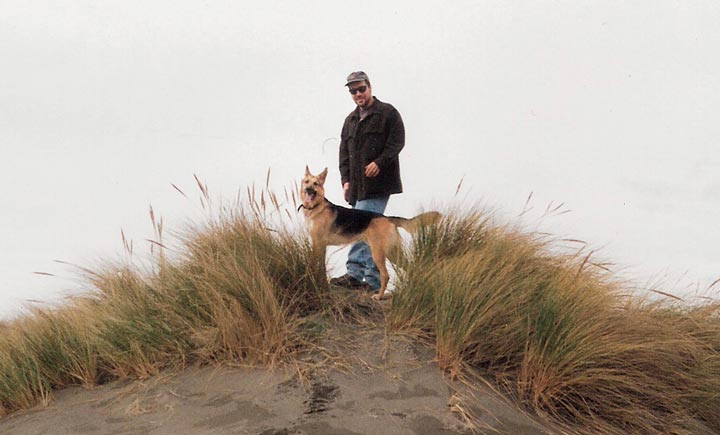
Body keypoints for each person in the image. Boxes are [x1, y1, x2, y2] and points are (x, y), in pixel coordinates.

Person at [330, 71, 405, 291]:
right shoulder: (350, 120)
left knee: (361, 228)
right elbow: (343, 152)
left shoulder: (387, 113)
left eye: (361, 89)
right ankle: (372, 283)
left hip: (379, 185)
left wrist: (379, 163)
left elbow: (397, 142)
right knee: (373, 234)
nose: (358, 94)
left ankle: (354, 274)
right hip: (356, 188)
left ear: (370, 87)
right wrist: (345, 181)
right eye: (353, 91)